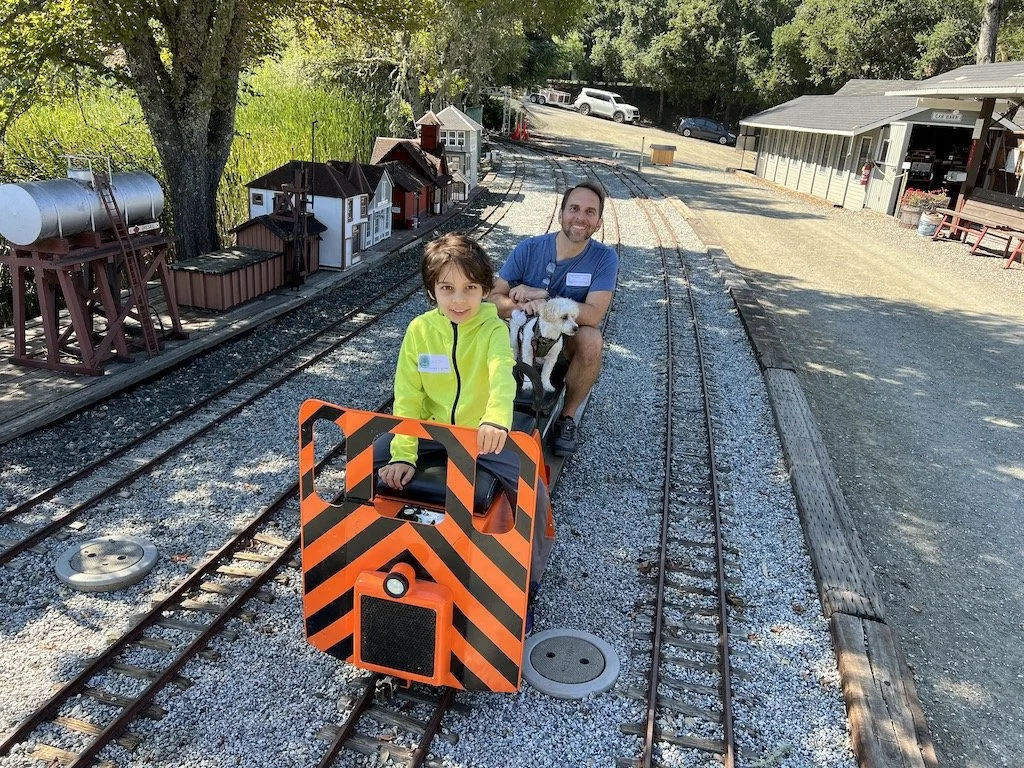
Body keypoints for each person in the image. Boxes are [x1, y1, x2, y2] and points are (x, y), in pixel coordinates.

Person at [375, 233, 552, 629]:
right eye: (447, 288)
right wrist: (404, 453)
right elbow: (408, 397)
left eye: (470, 289)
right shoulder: (419, 331)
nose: (459, 300)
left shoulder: (491, 330)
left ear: (485, 290)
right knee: (365, 468)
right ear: (431, 290)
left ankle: (529, 582)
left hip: (482, 436)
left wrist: (494, 421)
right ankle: (376, 559)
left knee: (533, 495)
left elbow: (501, 377)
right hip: (432, 434)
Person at [487, 180, 618, 456]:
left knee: (592, 340)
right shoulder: (529, 248)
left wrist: (545, 302)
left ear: (599, 222)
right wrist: (520, 308)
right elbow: (493, 298)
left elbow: (593, 314)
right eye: (574, 208)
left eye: (590, 212)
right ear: (561, 214)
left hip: (564, 340)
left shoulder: (605, 258)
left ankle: (566, 418)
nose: (580, 217)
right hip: (522, 337)